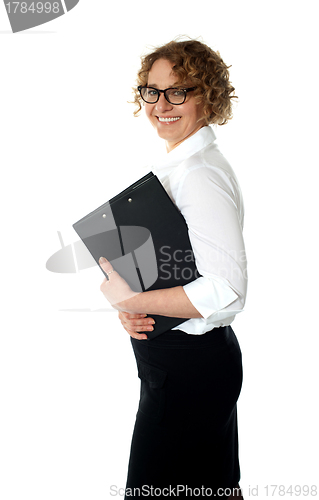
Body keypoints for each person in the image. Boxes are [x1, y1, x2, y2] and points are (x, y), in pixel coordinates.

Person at [99, 38, 247, 499]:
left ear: (208, 96)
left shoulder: (198, 174)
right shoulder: (180, 165)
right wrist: (137, 311)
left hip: (191, 372)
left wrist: (132, 300)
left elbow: (226, 290)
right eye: (151, 90)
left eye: (178, 91)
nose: (161, 104)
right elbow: (178, 272)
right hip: (182, 365)